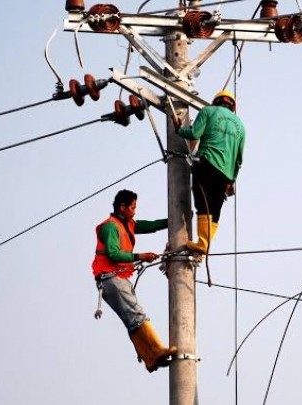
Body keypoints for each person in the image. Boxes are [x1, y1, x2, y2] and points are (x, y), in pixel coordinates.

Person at [91, 189, 176, 372]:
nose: (135, 211)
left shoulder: (126, 224)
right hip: (111, 278)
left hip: (116, 279)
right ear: (122, 207)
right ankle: (155, 351)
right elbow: (113, 254)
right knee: (136, 315)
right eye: (132, 207)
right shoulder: (111, 226)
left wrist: (173, 221)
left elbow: (150, 225)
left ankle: (150, 357)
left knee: (133, 318)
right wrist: (140, 256)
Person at [175, 89, 246, 254]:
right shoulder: (240, 126)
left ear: (216, 102)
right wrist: (232, 179)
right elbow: (239, 158)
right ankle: (204, 244)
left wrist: (179, 130)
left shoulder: (208, 111)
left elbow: (194, 133)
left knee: (203, 204)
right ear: (233, 106)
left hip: (207, 164)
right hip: (226, 174)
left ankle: (202, 244)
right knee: (215, 209)